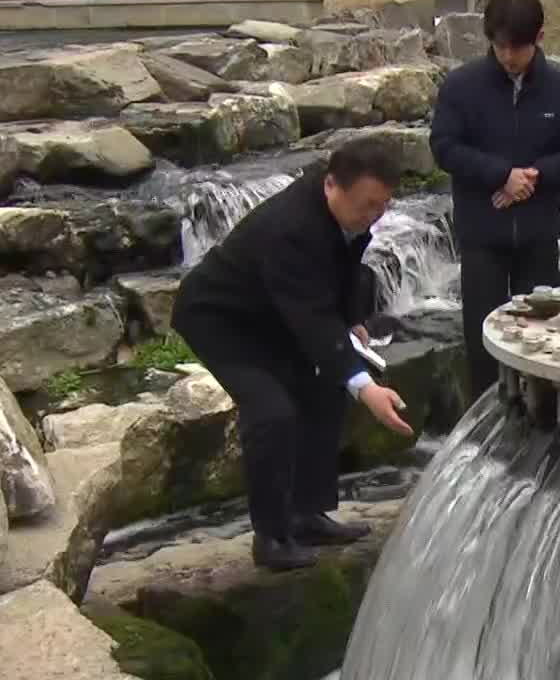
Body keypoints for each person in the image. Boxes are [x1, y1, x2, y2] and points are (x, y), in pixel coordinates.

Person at [170, 141, 415, 572]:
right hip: (220, 318)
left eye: (382, 206)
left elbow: (345, 263)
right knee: (271, 410)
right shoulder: (292, 230)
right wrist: (366, 387)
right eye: (366, 206)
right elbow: (313, 321)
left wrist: (352, 319)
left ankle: (307, 514)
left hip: (273, 310)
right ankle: (272, 536)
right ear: (330, 186)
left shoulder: (347, 211)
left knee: (322, 390)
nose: (374, 215)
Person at [431, 0, 560, 397]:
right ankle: (486, 420)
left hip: (538, 232)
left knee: (540, 335)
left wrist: (531, 178)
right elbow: (444, 147)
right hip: (482, 232)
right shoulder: (461, 86)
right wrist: (501, 175)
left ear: (538, 37)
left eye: (516, 47)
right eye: (499, 46)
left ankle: (542, 419)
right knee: (483, 336)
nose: (507, 56)